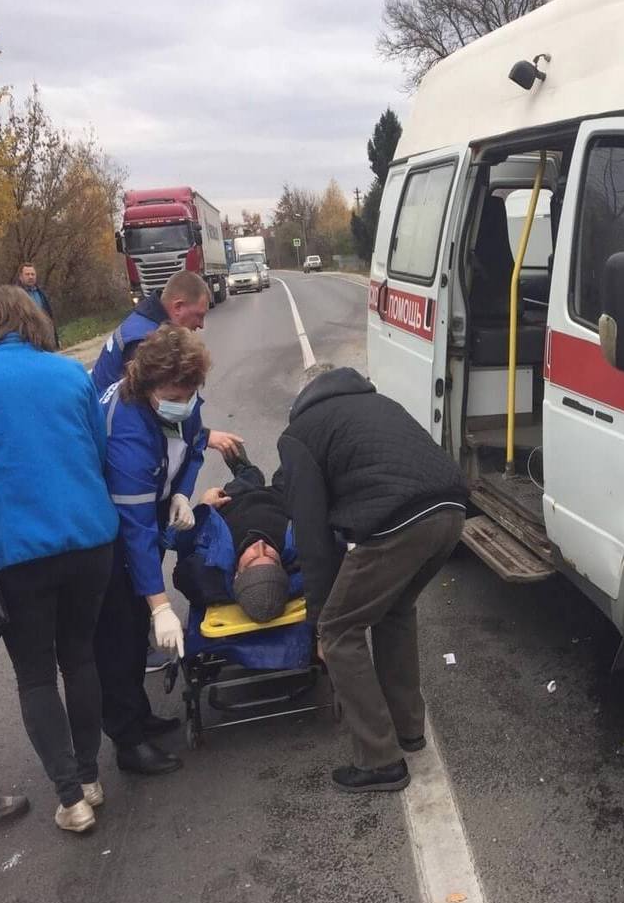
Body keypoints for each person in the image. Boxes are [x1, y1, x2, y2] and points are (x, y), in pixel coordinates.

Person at [278, 366, 468, 794]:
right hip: (452, 511)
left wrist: (319, 620)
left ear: (303, 396)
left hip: (398, 523)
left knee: (341, 631)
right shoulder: (378, 403)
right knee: (395, 611)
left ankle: (380, 760)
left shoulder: (301, 432)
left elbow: (312, 535)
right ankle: (407, 729)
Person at [0, 286, 119, 833]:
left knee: (36, 675)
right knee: (80, 658)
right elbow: (100, 451)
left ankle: (71, 800)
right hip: (90, 541)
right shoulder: (70, 375)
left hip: (18, 555)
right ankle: (89, 775)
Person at [96, 324, 211, 775]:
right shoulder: (126, 429)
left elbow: (196, 445)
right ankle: (127, 740)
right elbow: (136, 530)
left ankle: (139, 716)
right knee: (120, 635)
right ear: (147, 386)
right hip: (108, 532)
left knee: (135, 620)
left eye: (189, 389)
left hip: (150, 505)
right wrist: (162, 603)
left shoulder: (183, 401)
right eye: (173, 390)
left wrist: (182, 491)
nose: (183, 398)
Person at [90, 269, 242, 458]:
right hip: (112, 438)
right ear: (178, 307)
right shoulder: (145, 341)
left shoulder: (146, 323)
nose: (201, 325)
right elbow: (156, 413)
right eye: (199, 315)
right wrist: (201, 437)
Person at [172, 453, 298, 622]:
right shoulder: (300, 559)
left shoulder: (210, 568)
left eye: (252, 559)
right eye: (271, 558)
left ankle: (242, 465)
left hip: (232, 500)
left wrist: (203, 507)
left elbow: (176, 541)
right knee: (295, 462)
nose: (260, 545)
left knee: (250, 475)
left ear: (236, 575)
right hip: (280, 498)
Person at [16, 263, 59, 346]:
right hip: (27, 339)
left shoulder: (41, 293)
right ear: (20, 277)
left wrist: (55, 339)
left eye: (33, 274)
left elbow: (49, 316)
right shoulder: (16, 296)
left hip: (45, 336)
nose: (30, 277)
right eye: (27, 274)